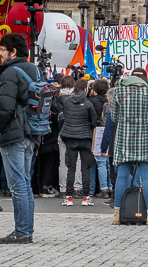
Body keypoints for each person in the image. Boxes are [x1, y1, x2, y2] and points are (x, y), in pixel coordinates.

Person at [0, 31, 40, 245]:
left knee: (18, 184)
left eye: (2, 50)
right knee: (25, 183)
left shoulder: (10, 73)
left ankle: (21, 232)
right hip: (31, 132)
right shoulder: (34, 69)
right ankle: (26, 230)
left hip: (14, 132)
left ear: (13, 51)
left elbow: (5, 106)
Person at [109, 69, 148, 227]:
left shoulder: (118, 91)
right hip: (144, 140)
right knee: (146, 178)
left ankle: (117, 213)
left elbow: (114, 117)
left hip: (123, 139)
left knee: (121, 177)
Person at [59, 77, 99, 206]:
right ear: (85, 89)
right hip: (85, 137)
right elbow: (94, 122)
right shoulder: (88, 104)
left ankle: (68, 196)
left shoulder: (67, 102)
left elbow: (65, 116)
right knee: (85, 168)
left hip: (70, 137)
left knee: (71, 167)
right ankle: (86, 197)